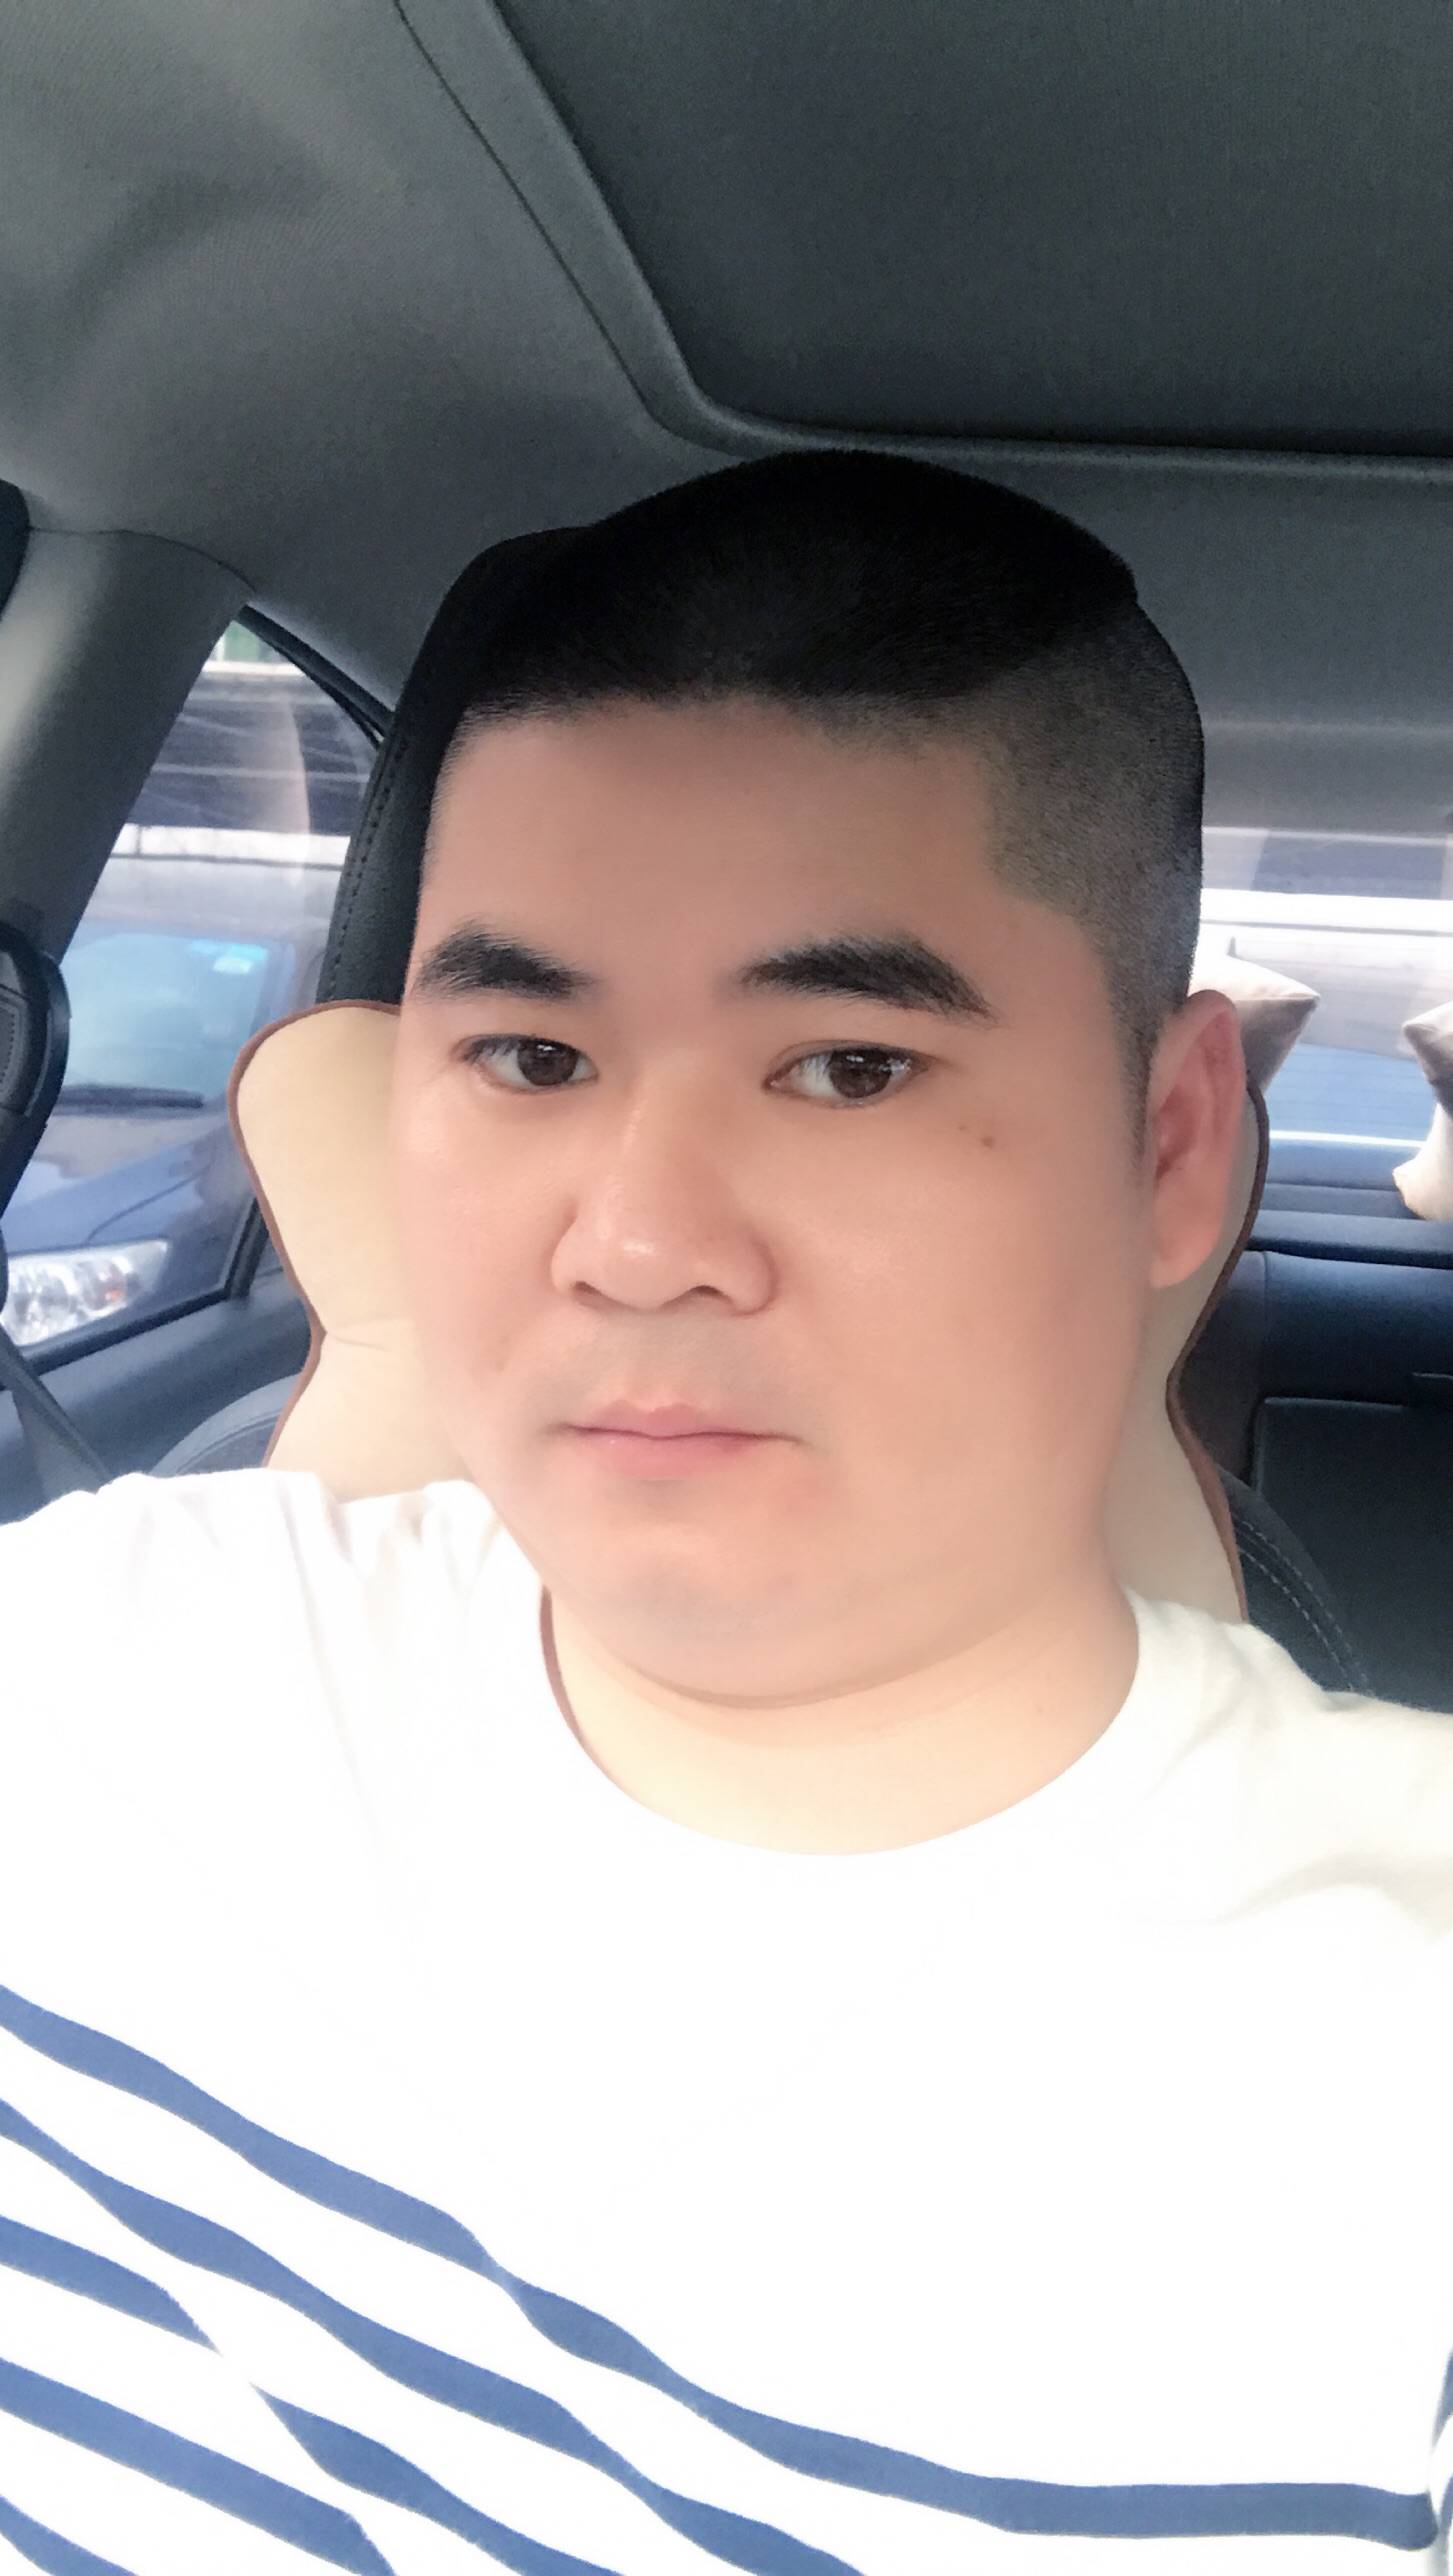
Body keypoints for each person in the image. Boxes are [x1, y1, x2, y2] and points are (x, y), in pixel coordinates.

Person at [3, 451, 1449, 2573]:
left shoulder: (1394, 2053)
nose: (637, 1242)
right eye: (527, 1056)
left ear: (1164, 1148)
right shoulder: (95, 1653)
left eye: (846, 1065)